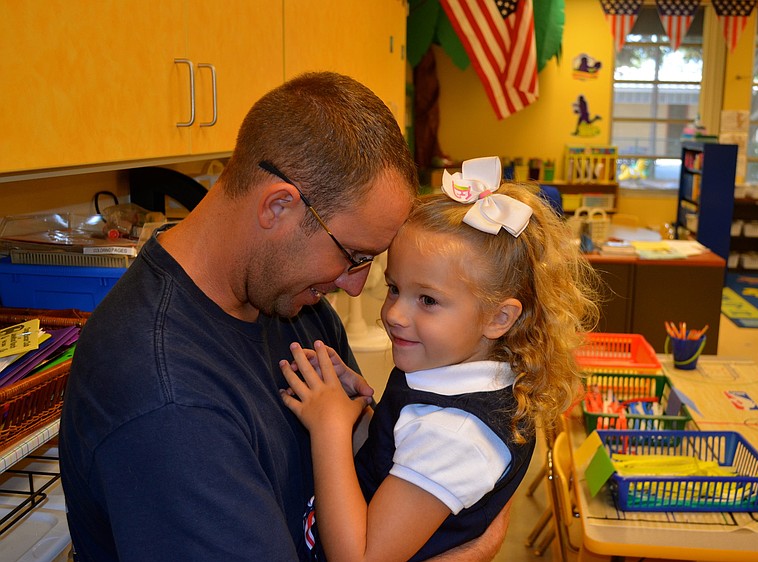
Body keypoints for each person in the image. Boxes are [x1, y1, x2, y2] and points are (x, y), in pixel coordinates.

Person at [59, 72, 505, 562]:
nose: (356, 285)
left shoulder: (291, 302)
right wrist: (473, 550)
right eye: (353, 255)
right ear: (278, 206)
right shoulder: (166, 399)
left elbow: (363, 471)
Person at [279, 157, 600, 561]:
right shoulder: (448, 371)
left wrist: (329, 429)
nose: (394, 313)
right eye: (395, 288)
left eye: (427, 300)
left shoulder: (456, 433)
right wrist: (356, 414)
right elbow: (399, 455)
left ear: (499, 318)